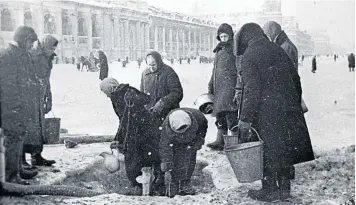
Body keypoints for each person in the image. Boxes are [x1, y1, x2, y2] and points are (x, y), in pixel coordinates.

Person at [234, 23, 314, 202]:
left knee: (267, 150)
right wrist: (292, 102)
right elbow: (296, 79)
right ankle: (284, 189)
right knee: (284, 149)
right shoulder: (277, 49)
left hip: (266, 113)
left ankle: (269, 190)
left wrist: (245, 119)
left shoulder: (249, 56)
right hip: (286, 110)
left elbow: (252, 90)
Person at [100, 78, 163, 195]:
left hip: (144, 128)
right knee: (134, 159)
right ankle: (140, 185)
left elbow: (146, 99)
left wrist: (134, 97)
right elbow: (123, 119)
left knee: (142, 157)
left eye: (105, 92)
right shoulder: (115, 98)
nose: (106, 95)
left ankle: (151, 185)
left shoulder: (127, 91)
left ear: (111, 88)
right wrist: (118, 138)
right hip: (132, 131)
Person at [0, 26, 39, 184]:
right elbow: (7, 86)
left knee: (19, 135)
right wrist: (14, 107)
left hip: (21, 105)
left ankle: (18, 169)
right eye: (30, 42)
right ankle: (11, 176)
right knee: (13, 138)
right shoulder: (8, 56)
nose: (32, 45)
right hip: (11, 106)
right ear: (23, 40)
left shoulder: (22, 55)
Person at [23, 35, 58, 168]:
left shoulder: (48, 57)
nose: (52, 50)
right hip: (28, 97)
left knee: (39, 128)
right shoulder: (32, 56)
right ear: (44, 46)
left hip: (39, 97)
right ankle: (21, 160)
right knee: (28, 128)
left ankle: (37, 156)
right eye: (51, 48)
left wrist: (49, 96)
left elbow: (47, 80)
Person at [206, 23, 241, 151]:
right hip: (219, 89)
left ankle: (235, 142)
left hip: (230, 89)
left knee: (231, 116)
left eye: (226, 36)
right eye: (221, 36)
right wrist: (211, 85)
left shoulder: (235, 50)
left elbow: (239, 70)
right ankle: (220, 140)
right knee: (220, 115)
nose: (223, 39)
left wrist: (238, 88)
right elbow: (215, 70)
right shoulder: (219, 50)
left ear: (231, 36)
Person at [160, 108, 207, 197]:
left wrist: (197, 143)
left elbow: (202, 133)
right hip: (175, 141)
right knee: (176, 157)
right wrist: (167, 169)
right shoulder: (167, 127)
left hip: (192, 139)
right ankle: (174, 182)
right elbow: (165, 148)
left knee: (190, 157)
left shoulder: (200, 118)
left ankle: (185, 182)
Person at [140, 51, 183, 129]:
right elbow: (142, 93)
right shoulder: (144, 74)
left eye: (153, 65)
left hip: (167, 114)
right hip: (151, 115)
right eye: (149, 65)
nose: (151, 67)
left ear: (159, 62)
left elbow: (177, 93)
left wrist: (163, 102)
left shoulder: (169, 72)